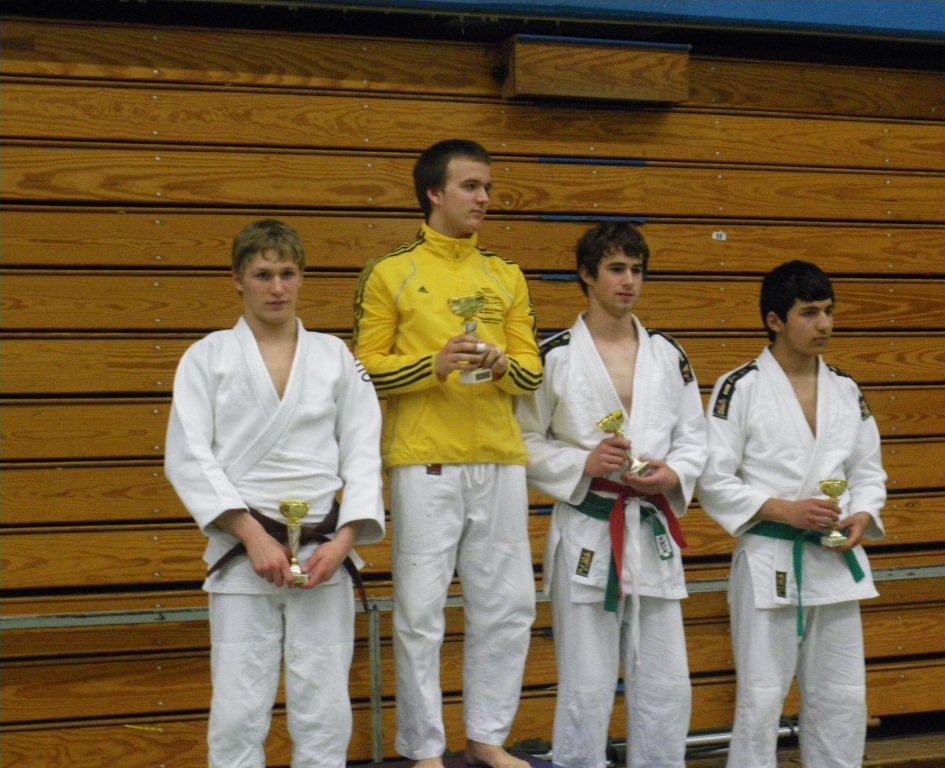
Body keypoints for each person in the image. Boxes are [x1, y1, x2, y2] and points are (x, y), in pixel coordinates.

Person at [164, 219, 386, 768]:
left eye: (287, 273)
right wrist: (251, 536)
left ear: (302, 278)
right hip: (243, 557)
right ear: (237, 279)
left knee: (324, 706)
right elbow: (188, 455)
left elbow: (363, 452)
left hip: (323, 555)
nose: (277, 287)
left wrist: (345, 540)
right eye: (263, 274)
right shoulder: (207, 357)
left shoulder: (335, 357)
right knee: (239, 708)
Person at [352, 139, 543, 768]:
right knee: (420, 612)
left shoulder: (505, 275)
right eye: (470, 186)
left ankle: (487, 737)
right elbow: (365, 372)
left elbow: (534, 374)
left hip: (500, 458)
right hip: (424, 460)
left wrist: (500, 365)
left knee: (508, 607)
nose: (484, 197)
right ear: (434, 193)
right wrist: (431, 366)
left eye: (487, 186)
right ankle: (425, 748)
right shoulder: (391, 272)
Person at [516, 221, 708, 768]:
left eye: (637, 270)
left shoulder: (668, 355)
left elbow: (694, 437)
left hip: (651, 528)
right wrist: (582, 462)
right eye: (617, 269)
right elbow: (523, 442)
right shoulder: (553, 356)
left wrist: (674, 474)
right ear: (586, 274)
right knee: (586, 684)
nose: (629, 282)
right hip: (589, 528)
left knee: (668, 684)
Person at [697, 260, 887, 768]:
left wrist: (863, 515)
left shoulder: (846, 388)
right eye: (809, 313)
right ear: (775, 321)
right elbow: (714, 478)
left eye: (828, 311)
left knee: (843, 699)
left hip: (834, 564)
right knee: (760, 701)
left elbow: (868, 471)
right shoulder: (739, 387)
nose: (824, 324)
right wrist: (786, 510)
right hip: (769, 559)